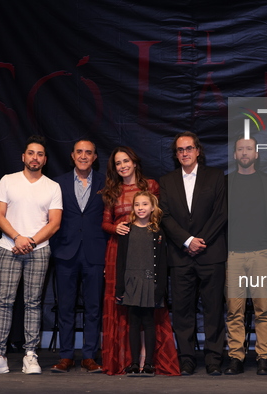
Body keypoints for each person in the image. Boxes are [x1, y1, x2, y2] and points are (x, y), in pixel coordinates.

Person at [0, 135, 62, 375]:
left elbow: (54, 223)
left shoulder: (52, 186)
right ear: (23, 157)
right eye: (31, 153)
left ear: (44, 159)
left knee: (33, 303)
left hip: (39, 250)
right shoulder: (8, 181)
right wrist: (18, 238)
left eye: (39, 154)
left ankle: (30, 355)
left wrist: (31, 241)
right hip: (8, 248)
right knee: (4, 302)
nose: (35, 157)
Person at [101, 146, 179, 376]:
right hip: (120, 250)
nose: (122, 166)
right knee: (125, 306)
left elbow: (160, 217)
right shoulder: (112, 191)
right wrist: (116, 227)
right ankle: (126, 359)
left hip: (147, 250)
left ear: (134, 162)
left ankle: (149, 359)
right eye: (118, 163)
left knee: (149, 312)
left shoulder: (151, 186)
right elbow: (105, 223)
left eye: (126, 161)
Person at [159, 131, 227, 376]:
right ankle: (186, 358)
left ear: (198, 150)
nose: (184, 153)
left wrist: (201, 241)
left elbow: (221, 213)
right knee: (182, 310)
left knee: (213, 308)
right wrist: (187, 241)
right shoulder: (166, 181)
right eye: (180, 150)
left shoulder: (217, 176)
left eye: (189, 148)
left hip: (211, 254)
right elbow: (164, 216)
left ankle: (214, 359)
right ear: (176, 155)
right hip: (180, 255)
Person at [50, 139, 106, 373]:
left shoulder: (106, 182)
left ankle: (89, 356)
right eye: (79, 152)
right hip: (66, 252)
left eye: (89, 153)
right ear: (72, 155)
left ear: (95, 157)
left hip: (95, 253)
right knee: (65, 307)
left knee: (94, 308)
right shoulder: (57, 183)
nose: (84, 156)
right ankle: (66, 356)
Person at [224, 135, 267, 375]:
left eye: (249, 149)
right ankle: (236, 357)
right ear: (235, 155)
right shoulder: (225, 183)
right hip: (233, 255)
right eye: (240, 149)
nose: (245, 153)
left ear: (256, 154)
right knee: (234, 311)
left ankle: (263, 356)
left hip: (262, 255)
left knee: (263, 309)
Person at [115, 191, 168, 378]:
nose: (140, 208)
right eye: (137, 205)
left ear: (152, 207)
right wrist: (119, 287)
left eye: (145, 204)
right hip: (131, 281)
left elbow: (162, 263)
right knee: (134, 322)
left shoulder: (157, 232)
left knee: (148, 321)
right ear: (133, 208)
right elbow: (120, 260)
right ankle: (134, 363)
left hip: (149, 283)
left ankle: (149, 364)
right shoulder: (126, 230)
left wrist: (159, 289)